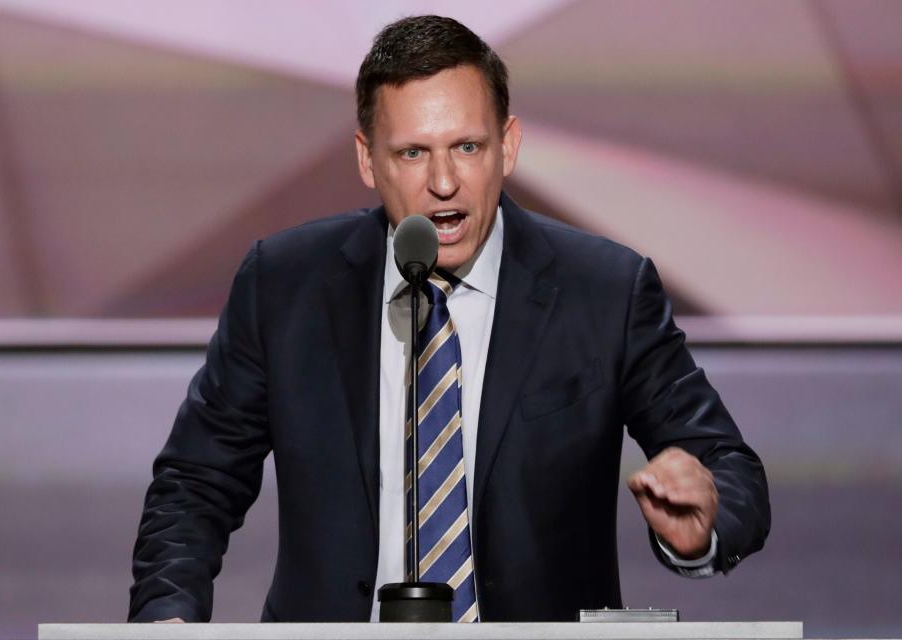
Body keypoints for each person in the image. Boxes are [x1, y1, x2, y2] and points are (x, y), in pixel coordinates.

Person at [129, 15, 770, 624]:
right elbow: (195, 481)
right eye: (412, 153)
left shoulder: (603, 290)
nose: (444, 182)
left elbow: (729, 467)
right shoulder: (286, 283)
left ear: (508, 145)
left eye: (467, 146)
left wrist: (702, 528)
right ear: (366, 158)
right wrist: (167, 616)